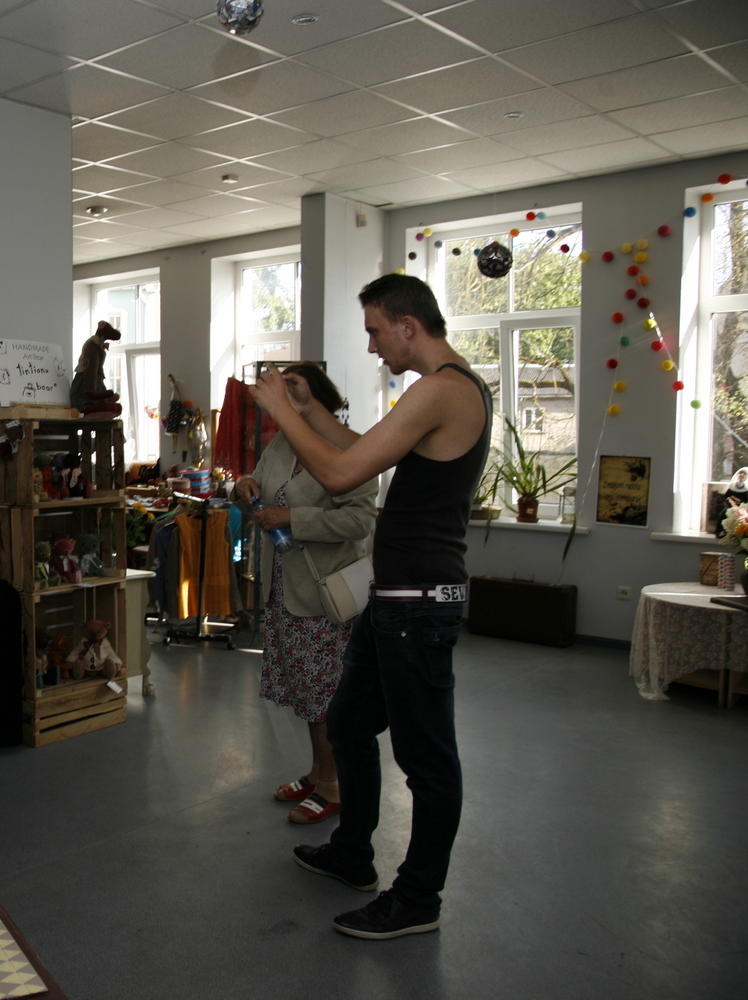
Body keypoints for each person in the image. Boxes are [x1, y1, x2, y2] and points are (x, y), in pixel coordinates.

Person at [250, 273, 492, 941]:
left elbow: (339, 473)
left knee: (426, 758)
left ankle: (418, 899)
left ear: (408, 326)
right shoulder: (446, 388)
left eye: (376, 330)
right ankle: (353, 852)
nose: (372, 344)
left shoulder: (442, 389)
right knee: (349, 723)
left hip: (419, 604)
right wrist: (309, 410)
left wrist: (283, 412)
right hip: (395, 601)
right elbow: (359, 451)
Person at [234, 363, 377, 826]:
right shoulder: (282, 442)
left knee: (326, 694)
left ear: (315, 398)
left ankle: (333, 785)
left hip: (325, 593)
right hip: (284, 586)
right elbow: (260, 487)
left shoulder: (352, 449)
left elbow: (359, 522)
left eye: (291, 393)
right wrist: (244, 487)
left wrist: (293, 519)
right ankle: (319, 772)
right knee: (306, 690)